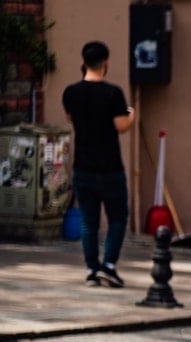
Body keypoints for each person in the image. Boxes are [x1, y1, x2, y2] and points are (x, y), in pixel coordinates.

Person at [62, 41, 136, 288]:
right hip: (110, 168)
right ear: (106, 63)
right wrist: (132, 115)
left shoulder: (70, 93)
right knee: (117, 217)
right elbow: (121, 126)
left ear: (82, 64)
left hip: (83, 167)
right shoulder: (113, 93)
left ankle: (92, 269)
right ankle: (109, 265)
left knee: (88, 220)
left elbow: (71, 117)